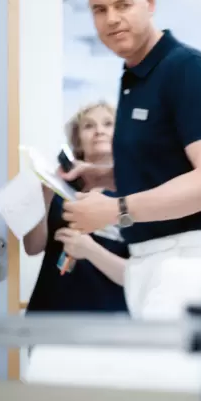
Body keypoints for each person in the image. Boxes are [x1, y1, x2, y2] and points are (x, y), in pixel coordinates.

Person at [60, 0, 201, 316]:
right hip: (145, 261)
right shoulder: (133, 79)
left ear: (149, 2)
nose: (111, 19)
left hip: (183, 261)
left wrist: (116, 209)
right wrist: (106, 176)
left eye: (123, 4)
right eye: (99, 9)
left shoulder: (186, 69)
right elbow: (165, 163)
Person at [24, 101, 128, 314]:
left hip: (107, 317)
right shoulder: (59, 185)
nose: (99, 131)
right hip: (50, 311)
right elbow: (32, 247)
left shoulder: (135, 193)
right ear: (77, 139)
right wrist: (46, 193)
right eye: (89, 126)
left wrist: (90, 250)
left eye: (108, 124)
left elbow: (135, 276)